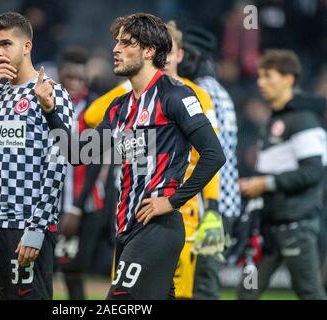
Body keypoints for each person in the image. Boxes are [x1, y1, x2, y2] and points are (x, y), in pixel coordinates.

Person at [39, 13, 225, 300]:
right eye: (116, 42)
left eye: (126, 43)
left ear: (149, 51)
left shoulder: (176, 96)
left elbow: (214, 155)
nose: (115, 49)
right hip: (125, 230)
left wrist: (172, 200)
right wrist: (51, 111)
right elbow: (77, 154)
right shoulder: (119, 107)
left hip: (158, 229)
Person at [0, 12, 73, 300]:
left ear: (27, 47)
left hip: (25, 227)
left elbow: (59, 164)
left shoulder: (52, 93)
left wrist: (37, 228)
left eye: (6, 44)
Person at [238, 49, 327, 300]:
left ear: (289, 79)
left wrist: (265, 183)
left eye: (268, 76)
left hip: (296, 227)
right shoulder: (273, 120)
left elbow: (314, 171)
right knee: (246, 293)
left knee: (310, 294)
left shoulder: (304, 120)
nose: (260, 82)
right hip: (268, 228)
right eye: (260, 76)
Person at [178, 26, 242, 300]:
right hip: (222, 203)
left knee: (202, 287)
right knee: (203, 285)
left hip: (210, 206)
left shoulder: (202, 92)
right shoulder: (218, 90)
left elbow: (209, 155)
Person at [54, 46, 109, 300]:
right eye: (70, 77)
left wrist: (75, 207)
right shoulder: (48, 103)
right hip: (50, 201)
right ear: (61, 75)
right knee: (44, 269)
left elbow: (97, 161)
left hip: (86, 204)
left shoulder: (97, 108)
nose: (75, 83)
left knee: (73, 269)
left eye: (80, 78)